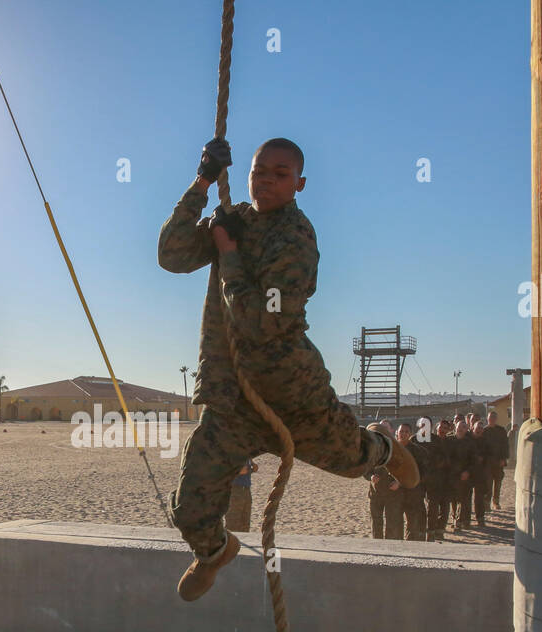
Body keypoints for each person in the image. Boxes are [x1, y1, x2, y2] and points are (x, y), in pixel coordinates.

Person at [159, 135, 418, 600]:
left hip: (291, 394)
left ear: (299, 183)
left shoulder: (295, 237)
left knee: (352, 462)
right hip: (231, 395)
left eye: (280, 174)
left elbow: (264, 322)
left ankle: (382, 448)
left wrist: (229, 253)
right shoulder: (232, 219)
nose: (267, 181)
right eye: (259, 172)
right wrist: (201, 182)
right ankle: (214, 552)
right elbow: (172, 254)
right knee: (190, 508)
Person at [397, 422, 429, 541]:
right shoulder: (393, 449)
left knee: (414, 522)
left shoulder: (418, 451)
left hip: (413, 491)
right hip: (395, 492)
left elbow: (424, 471)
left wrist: (415, 483)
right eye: (401, 431)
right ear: (397, 433)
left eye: (406, 432)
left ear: (410, 434)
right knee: (396, 522)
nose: (403, 434)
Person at [423, 419, 453, 541]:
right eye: (441, 427)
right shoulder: (430, 440)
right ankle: (431, 530)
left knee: (445, 508)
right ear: (436, 427)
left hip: (447, 480)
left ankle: (440, 530)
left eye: (445, 428)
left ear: (448, 430)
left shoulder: (451, 442)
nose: (443, 430)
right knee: (433, 507)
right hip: (432, 480)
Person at [446, 420, 473, 531]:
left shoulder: (470, 443)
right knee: (452, 499)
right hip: (451, 475)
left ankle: (458, 521)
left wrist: (468, 471)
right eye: (459, 427)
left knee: (462, 499)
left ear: (466, 430)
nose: (460, 429)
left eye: (463, 427)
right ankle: (454, 518)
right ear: (455, 428)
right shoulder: (449, 440)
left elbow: (474, 461)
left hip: (464, 476)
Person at [482, 411, 509, 509]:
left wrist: (504, 458)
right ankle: (487, 502)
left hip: (498, 461)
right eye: (490, 417)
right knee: (488, 484)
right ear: (487, 418)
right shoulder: (484, 431)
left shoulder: (501, 430)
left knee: (498, 483)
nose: (492, 419)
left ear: (496, 419)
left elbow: (505, 445)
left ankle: (496, 502)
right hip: (488, 462)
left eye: (494, 417)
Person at [469, 420, 492, 527]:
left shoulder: (485, 442)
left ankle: (480, 518)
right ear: (473, 428)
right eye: (477, 428)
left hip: (480, 473)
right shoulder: (467, 439)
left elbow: (489, 456)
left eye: (481, 428)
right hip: (468, 471)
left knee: (479, 497)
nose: (479, 430)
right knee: (465, 497)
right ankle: (464, 519)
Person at [225, 458, 258, 533]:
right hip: (235, 489)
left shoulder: (247, 455)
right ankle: (230, 541)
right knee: (233, 521)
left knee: (245, 520)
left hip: (246, 489)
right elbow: (242, 470)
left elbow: (253, 467)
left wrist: (252, 466)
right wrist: (251, 469)